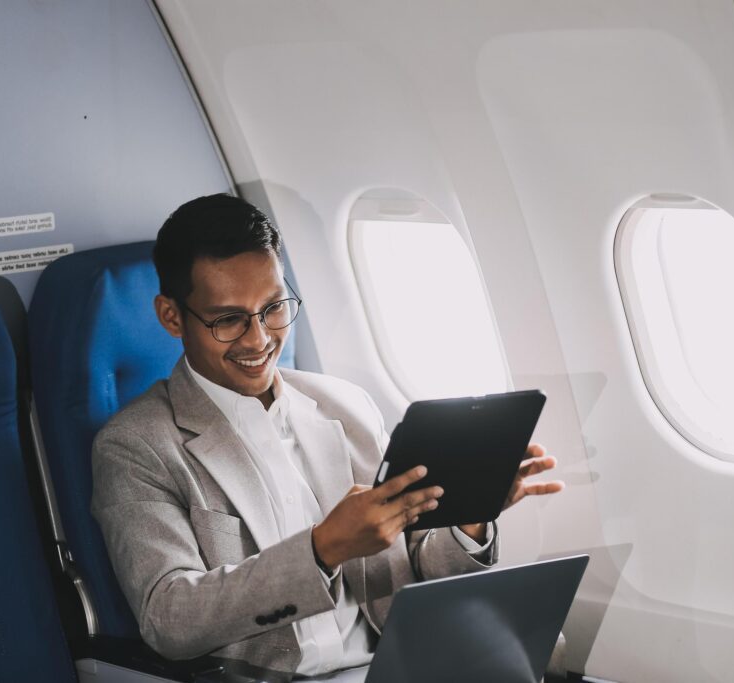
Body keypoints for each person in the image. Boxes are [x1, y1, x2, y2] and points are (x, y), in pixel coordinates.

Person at [91, 194, 563, 675]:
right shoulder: (137, 446)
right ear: (172, 316)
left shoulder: (346, 405)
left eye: (273, 307)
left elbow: (422, 572)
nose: (259, 339)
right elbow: (170, 619)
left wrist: (471, 515)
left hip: (398, 663)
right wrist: (322, 549)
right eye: (229, 319)